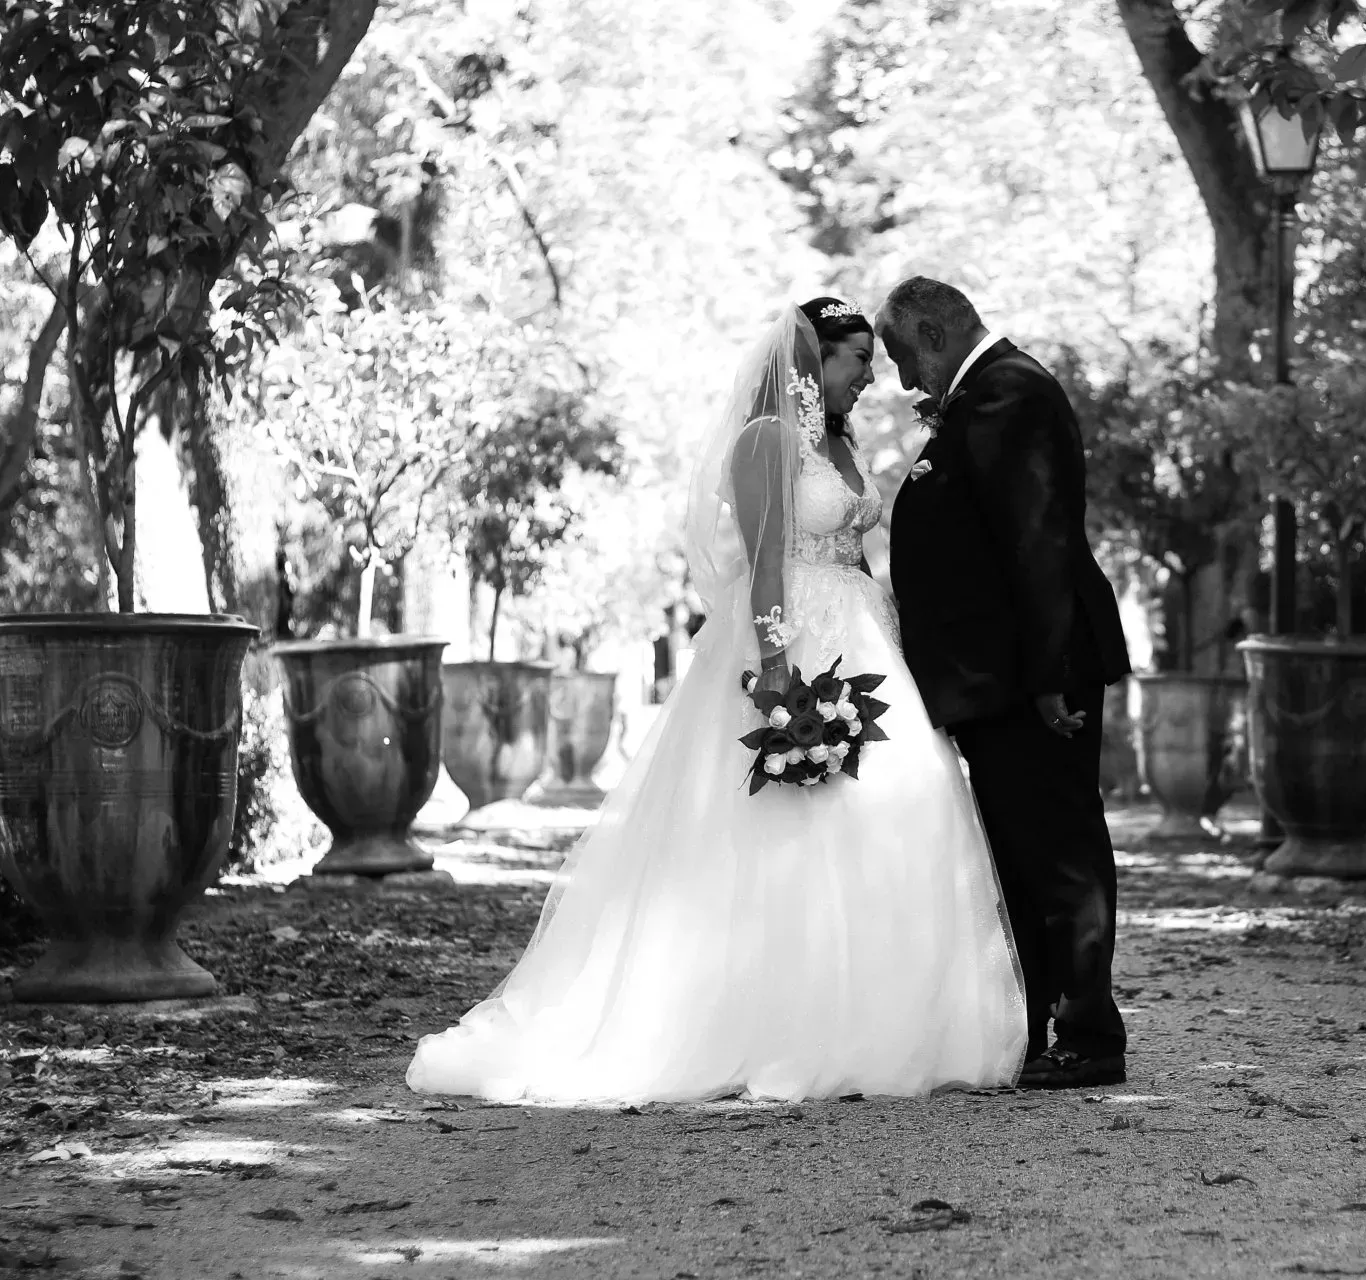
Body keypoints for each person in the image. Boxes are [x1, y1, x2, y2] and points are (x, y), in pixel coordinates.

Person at [406, 299, 1026, 1105]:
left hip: (866, 640)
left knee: (896, 809)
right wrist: (775, 668)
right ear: (812, 360)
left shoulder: (841, 443)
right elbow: (765, 562)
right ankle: (783, 1025)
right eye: (857, 360)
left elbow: (855, 554)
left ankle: (894, 1022)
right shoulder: (764, 441)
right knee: (790, 830)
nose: (870, 377)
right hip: (795, 639)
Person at [877, 277, 1133, 1091]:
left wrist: (1051, 676)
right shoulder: (986, 394)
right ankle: (1036, 1026)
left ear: (932, 333)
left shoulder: (1009, 393)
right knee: (1023, 856)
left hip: (1034, 678)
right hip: (1002, 678)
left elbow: (1039, 539)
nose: (905, 381)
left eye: (902, 358)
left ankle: (1090, 1034)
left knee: (1060, 852)